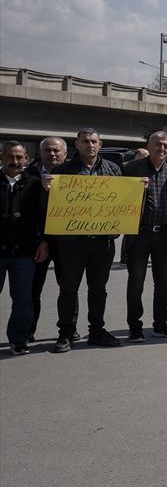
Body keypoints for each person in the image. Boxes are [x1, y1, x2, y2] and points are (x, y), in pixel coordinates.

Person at [45, 129, 123, 352]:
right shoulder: (61, 171)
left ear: (100, 144)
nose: (90, 145)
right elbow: (47, 208)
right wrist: (46, 190)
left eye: (94, 141)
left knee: (98, 289)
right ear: (76, 144)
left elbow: (123, 201)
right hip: (72, 242)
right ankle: (66, 333)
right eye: (85, 141)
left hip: (102, 242)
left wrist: (139, 190)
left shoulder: (113, 170)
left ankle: (97, 331)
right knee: (68, 288)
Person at [121, 131, 167, 340]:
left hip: (165, 234)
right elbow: (116, 196)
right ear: (148, 145)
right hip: (140, 234)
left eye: (166, 145)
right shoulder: (131, 168)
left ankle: (160, 324)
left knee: (162, 283)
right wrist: (134, 190)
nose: (161, 148)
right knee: (136, 283)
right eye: (157, 144)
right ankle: (135, 327)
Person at [2, 142, 42, 355]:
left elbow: (44, 217)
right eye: (10, 156)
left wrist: (44, 242)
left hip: (25, 252)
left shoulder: (36, 184)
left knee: (23, 299)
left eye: (19, 157)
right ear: (2, 157)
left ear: (26, 159)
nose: (15, 161)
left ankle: (18, 339)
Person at [26, 136, 67, 342]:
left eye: (56, 150)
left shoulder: (76, 175)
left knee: (68, 288)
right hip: (36, 243)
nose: (52, 154)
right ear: (40, 153)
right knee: (32, 289)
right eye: (48, 150)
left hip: (65, 243)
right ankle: (28, 330)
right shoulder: (28, 176)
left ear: (65, 154)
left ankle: (67, 329)